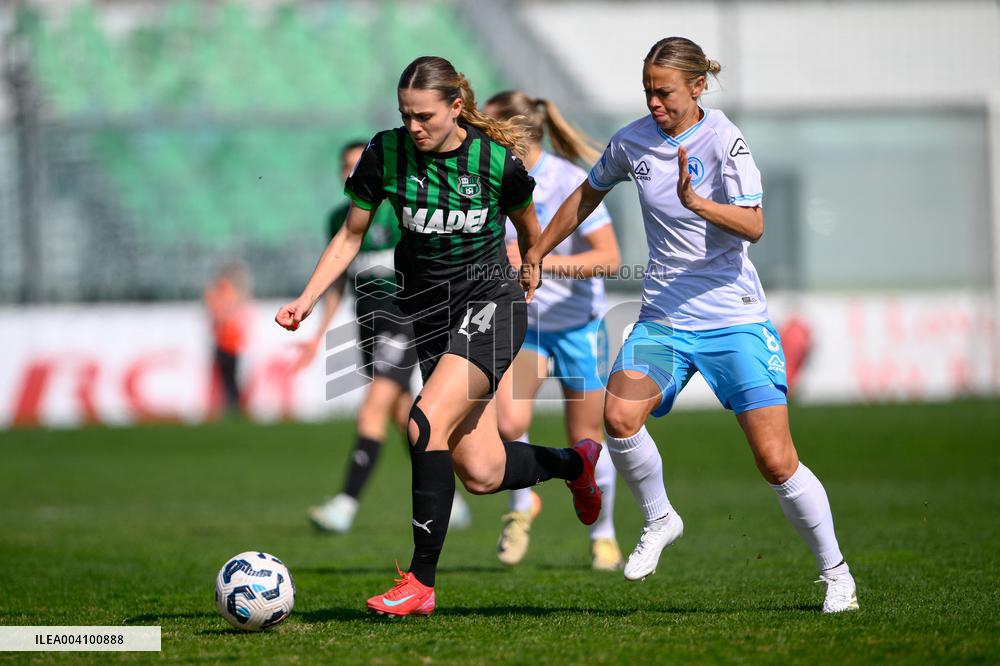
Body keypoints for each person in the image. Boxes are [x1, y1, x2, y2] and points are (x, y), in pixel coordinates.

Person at [529, 37, 858, 613]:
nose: (654, 103)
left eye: (665, 92)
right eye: (648, 92)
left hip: (735, 322)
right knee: (618, 415)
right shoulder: (632, 141)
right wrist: (537, 252)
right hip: (664, 319)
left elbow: (754, 225)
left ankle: (836, 575)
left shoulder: (724, 138)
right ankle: (660, 519)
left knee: (776, 460)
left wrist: (699, 202)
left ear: (697, 86)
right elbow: (585, 197)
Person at [275, 55, 603, 618]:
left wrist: (531, 263)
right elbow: (352, 235)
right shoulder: (385, 153)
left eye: (424, 116)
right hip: (428, 314)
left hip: (491, 307)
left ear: (456, 108)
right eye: (405, 115)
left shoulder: (495, 162)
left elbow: (529, 227)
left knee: (422, 421)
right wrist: (307, 299)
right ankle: (577, 464)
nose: (414, 127)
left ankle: (420, 581)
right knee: (481, 471)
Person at [298, 141, 471, 534]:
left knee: (372, 409)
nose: (353, 171)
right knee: (401, 414)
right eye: (347, 165)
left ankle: (344, 505)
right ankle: (450, 496)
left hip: (405, 320)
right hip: (367, 326)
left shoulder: (399, 212)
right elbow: (339, 282)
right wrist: (316, 336)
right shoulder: (339, 220)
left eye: (360, 163)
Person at [483, 91, 624, 571]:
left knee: (587, 438)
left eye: (490, 127)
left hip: (579, 327)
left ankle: (602, 535)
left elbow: (609, 259)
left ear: (516, 133)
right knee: (508, 424)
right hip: (528, 327)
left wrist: (540, 262)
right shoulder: (491, 177)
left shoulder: (568, 180)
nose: (482, 136)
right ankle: (522, 508)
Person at [204, 260, 252, 417]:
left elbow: (221, 313)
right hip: (225, 342)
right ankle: (232, 407)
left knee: (230, 379)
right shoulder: (225, 293)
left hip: (228, 343)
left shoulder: (225, 294)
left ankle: (235, 407)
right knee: (227, 379)